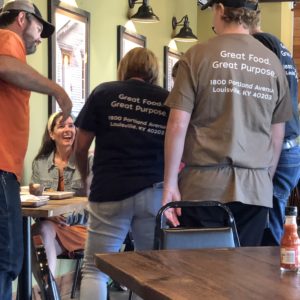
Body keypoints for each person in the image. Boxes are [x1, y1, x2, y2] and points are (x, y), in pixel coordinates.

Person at [162, 0, 292, 247]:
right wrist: (264, 179)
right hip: (255, 190)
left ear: (220, 9)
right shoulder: (273, 63)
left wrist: (169, 184)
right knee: (243, 276)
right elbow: (277, 135)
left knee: (200, 274)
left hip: (202, 187)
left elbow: (177, 124)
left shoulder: (197, 55)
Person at [74, 47, 169, 300]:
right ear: (154, 70)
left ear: (124, 68)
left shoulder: (104, 92)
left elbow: (80, 146)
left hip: (109, 189)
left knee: (95, 269)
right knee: (150, 271)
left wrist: (85, 178)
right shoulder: (167, 99)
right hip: (153, 190)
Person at [0, 1, 72, 299]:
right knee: (6, 260)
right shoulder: (7, 38)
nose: (40, 38)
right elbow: (4, 65)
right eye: (39, 28)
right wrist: (57, 89)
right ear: (21, 19)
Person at [250, 15, 300, 246]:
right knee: (273, 217)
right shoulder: (279, 45)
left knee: (269, 224)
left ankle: (276, 275)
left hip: (277, 149)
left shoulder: (261, 44)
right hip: (290, 146)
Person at [30, 112, 92, 276]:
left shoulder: (88, 160)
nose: (68, 129)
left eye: (71, 125)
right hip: (51, 227)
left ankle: (47, 294)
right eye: (62, 125)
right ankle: (50, 294)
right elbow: (35, 200)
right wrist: (51, 216)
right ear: (51, 134)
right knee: (35, 235)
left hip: (83, 228)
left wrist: (68, 217)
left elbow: (96, 202)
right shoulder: (40, 163)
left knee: (36, 239)